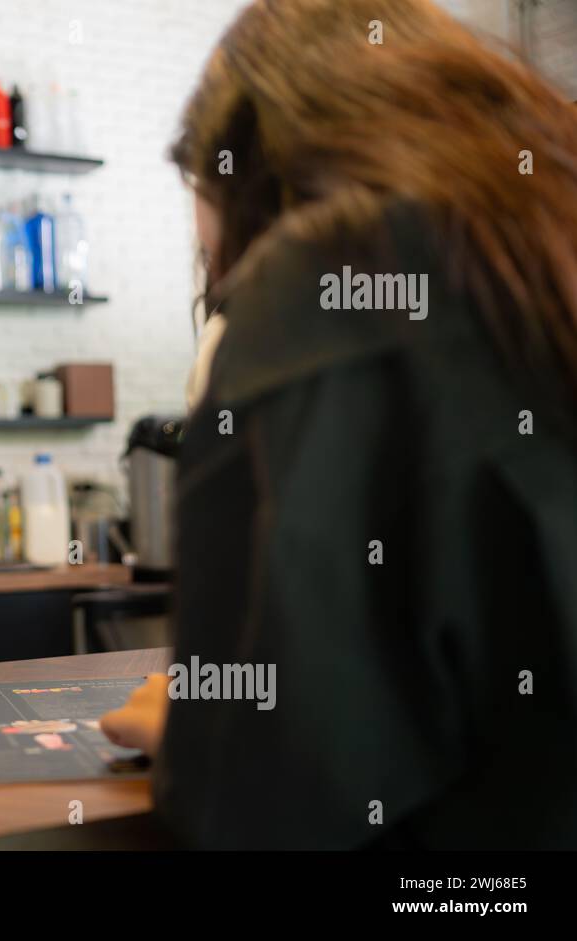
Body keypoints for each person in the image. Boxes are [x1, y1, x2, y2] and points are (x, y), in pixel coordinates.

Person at [100, 0, 577, 848]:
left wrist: (197, 728)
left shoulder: (323, 281)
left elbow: (278, 792)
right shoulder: (543, 234)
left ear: (235, 173)